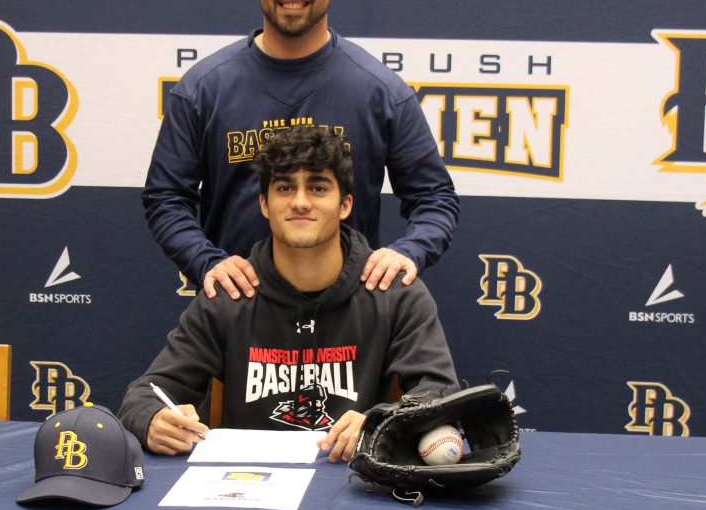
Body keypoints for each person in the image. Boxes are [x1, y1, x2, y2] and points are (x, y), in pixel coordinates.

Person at [142, 0, 460, 301]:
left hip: (350, 318)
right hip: (239, 314)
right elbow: (165, 198)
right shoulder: (204, 89)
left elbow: (435, 199)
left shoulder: (381, 91)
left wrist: (407, 252)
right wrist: (207, 262)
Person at [120, 125, 458, 463]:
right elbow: (144, 396)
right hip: (245, 490)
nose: (299, 202)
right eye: (284, 187)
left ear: (345, 205)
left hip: (354, 486)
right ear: (265, 205)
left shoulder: (391, 290)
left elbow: (440, 394)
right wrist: (151, 419)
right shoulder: (232, 291)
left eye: (318, 187)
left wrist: (382, 421)